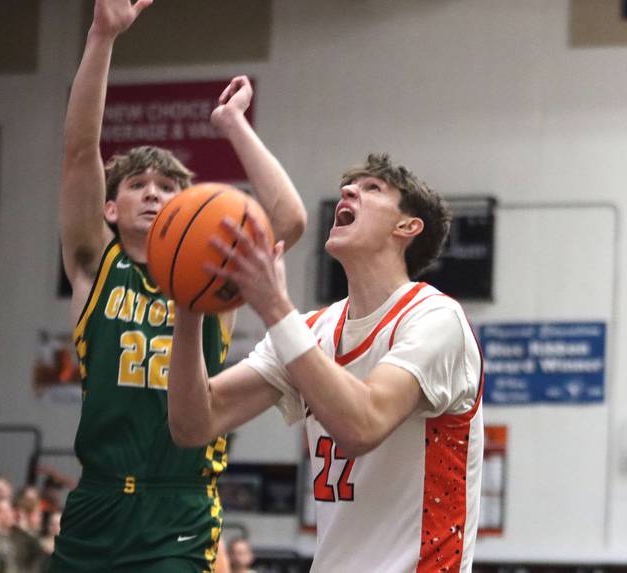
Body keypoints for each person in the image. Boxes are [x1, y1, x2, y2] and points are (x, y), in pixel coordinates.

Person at [51, 0, 306, 570]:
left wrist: (234, 125)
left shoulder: (214, 278)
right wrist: (101, 37)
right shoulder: (93, 267)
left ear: (187, 205)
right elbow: (76, 156)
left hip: (179, 508)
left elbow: (287, 220)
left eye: (168, 186)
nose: (152, 193)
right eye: (137, 184)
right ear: (110, 208)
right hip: (96, 499)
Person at [167, 153, 484, 572]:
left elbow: (363, 424)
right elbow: (194, 423)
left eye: (372, 188)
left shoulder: (435, 318)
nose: (349, 190)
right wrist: (189, 308)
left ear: (407, 227)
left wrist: (275, 307)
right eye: (350, 185)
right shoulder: (311, 329)